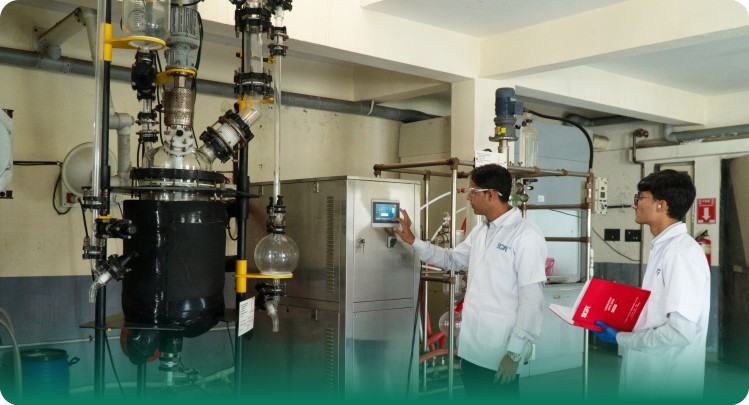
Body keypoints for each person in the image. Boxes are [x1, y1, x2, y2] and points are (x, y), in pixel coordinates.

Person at [393, 163, 547, 399]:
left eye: (473, 192)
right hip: (471, 346)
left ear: (490, 194)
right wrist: (413, 241)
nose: (468, 198)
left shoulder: (526, 235)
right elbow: (452, 259)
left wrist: (515, 352)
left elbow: (532, 299)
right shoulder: (481, 231)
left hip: (500, 350)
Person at [594, 169, 711, 400]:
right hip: (649, 375)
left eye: (640, 198)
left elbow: (680, 333)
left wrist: (620, 338)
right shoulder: (664, 248)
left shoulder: (680, 253)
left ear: (661, 205)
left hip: (667, 382)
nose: (634, 204)